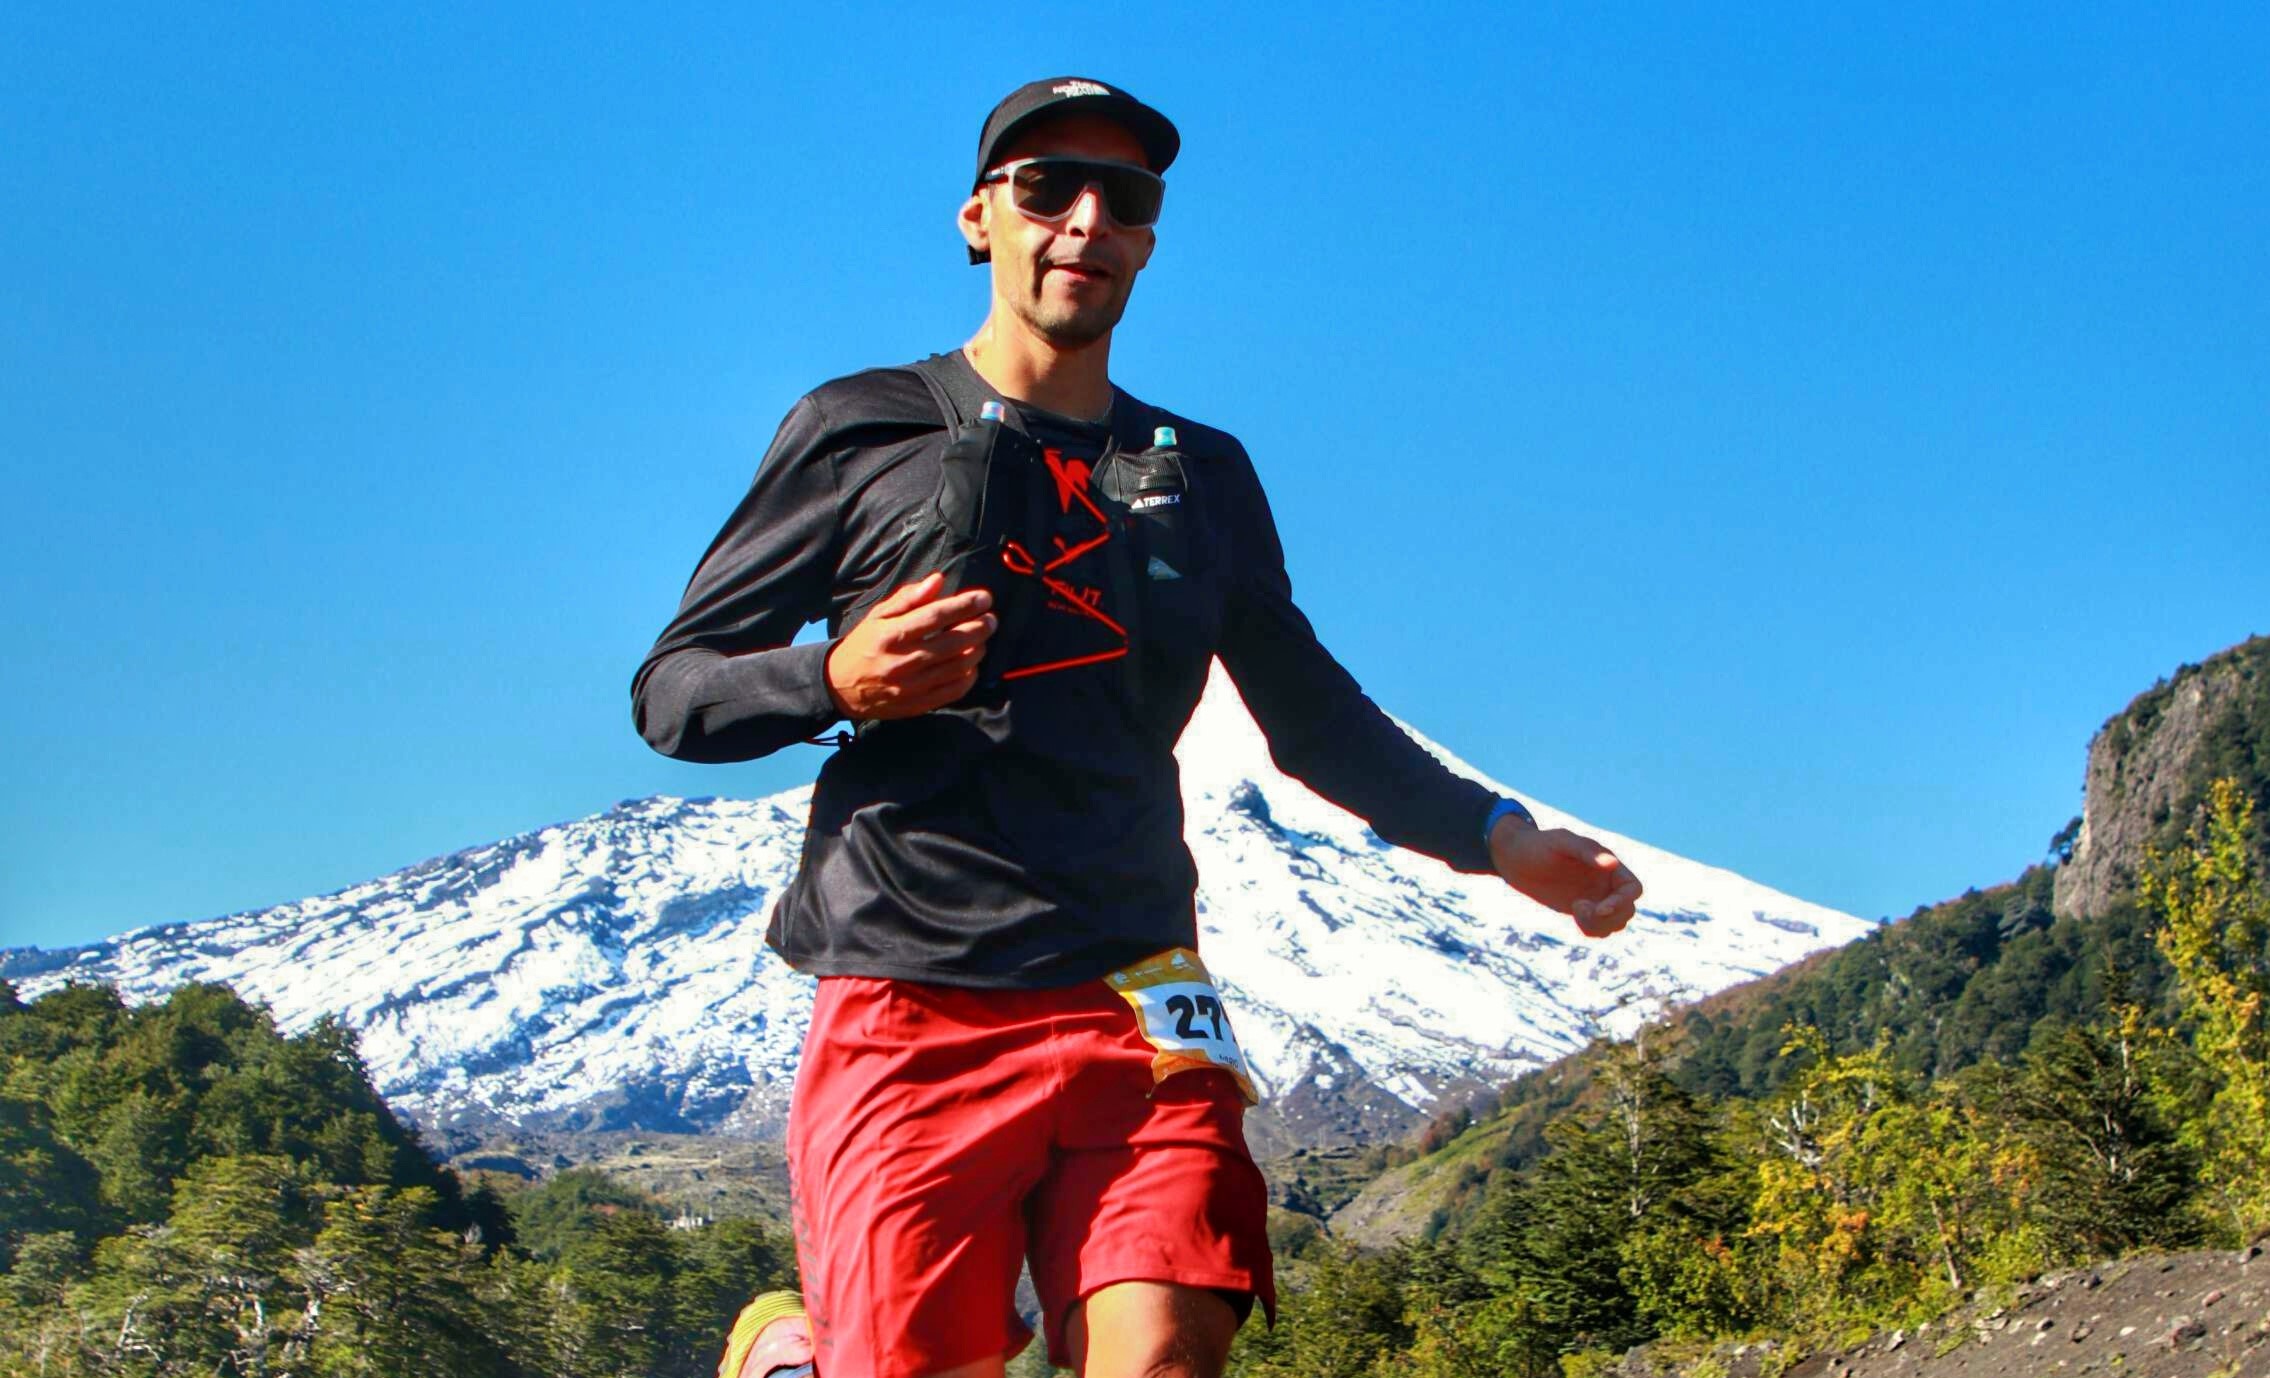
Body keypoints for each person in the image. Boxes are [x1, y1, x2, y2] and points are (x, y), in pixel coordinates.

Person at [635, 76, 1642, 1378]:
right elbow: (674, 691)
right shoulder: (859, 431)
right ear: (979, 218)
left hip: (1140, 985)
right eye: (1047, 185)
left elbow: (1311, 713)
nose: (1086, 218)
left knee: (1162, 1346)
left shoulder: (1200, 470)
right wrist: (838, 681)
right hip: (913, 988)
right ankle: (797, 1355)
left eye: (1126, 197)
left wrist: (1494, 834)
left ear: (1150, 239)